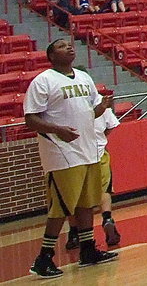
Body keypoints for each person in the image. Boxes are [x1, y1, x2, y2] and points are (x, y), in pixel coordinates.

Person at [24, 39, 119, 278]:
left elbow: (92, 111)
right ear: (51, 55)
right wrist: (57, 129)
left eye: (70, 44)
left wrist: (105, 106)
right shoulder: (43, 81)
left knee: (86, 203)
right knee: (61, 207)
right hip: (61, 152)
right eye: (61, 46)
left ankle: (87, 249)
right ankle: (43, 258)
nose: (69, 47)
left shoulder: (85, 78)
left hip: (87, 149)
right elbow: (30, 119)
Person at [67, 103, 121, 251]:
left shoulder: (72, 106)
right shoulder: (101, 105)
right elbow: (110, 126)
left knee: (75, 197)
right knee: (104, 190)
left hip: (77, 155)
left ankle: (74, 233)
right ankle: (107, 218)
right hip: (99, 152)